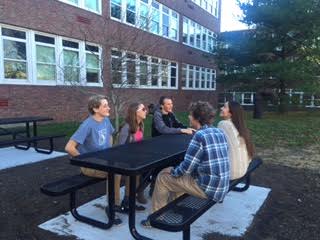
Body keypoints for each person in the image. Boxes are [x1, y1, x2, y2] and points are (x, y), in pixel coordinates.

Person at [141, 101, 230, 227]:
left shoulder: (199, 135)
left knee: (162, 178)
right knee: (175, 175)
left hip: (208, 189)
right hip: (221, 186)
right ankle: (174, 209)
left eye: (190, 115)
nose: (188, 117)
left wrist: (172, 172)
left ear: (197, 118)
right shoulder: (219, 132)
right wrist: (174, 171)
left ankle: (155, 219)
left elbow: (186, 168)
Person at [64, 95, 121, 207]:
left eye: (108, 105)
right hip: (89, 166)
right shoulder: (87, 125)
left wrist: (109, 151)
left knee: (128, 168)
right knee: (116, 172)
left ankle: (128, 200)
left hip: (103, 161)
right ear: (95, 109)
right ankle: (113, 206)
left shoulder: (106, 120)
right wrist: (86, 162)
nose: (109, 108)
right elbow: (69, 147)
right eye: (105, 106)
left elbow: (109, 135)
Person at [116, 102, 148, 212]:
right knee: (134, 176)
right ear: (136, 112)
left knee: (146, 175)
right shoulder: (126, 127)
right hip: (125, 161)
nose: (146, 111)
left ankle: (130, 201)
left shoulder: (140, 125)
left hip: (136, 159)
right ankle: (126, 203)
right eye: (143, 109)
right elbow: (120, 148)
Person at [218, 101, 255, 180]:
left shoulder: (223, 124)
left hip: (230, 173)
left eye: (224, 107)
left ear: (231, 113)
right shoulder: (240, 127)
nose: (221, 108)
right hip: (242, 169)